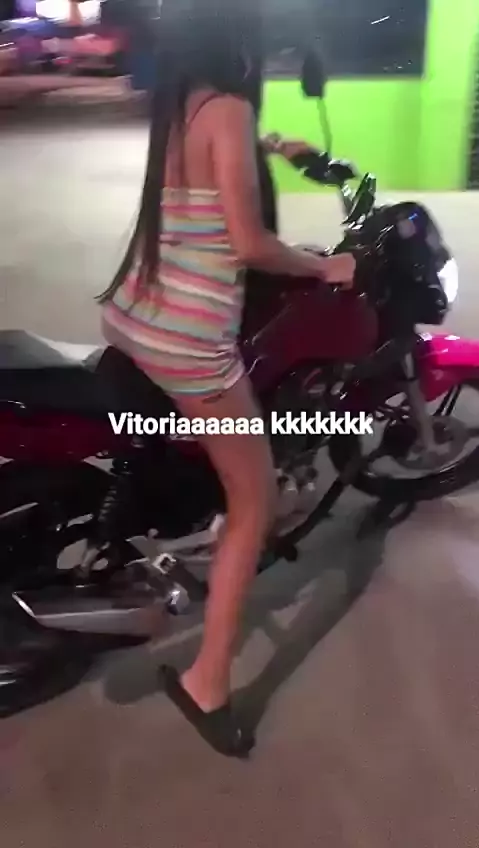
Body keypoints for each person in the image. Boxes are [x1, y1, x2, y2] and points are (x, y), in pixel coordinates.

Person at [98, 0, 355, 757]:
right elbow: (248, 242)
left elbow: (212, 179)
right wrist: (323, 265)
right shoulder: (230, 110)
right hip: (187, 341)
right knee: (256, 497)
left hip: (136, 314)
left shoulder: (182, 103)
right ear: (239, 36)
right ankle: (208, 681)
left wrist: (278, 148)